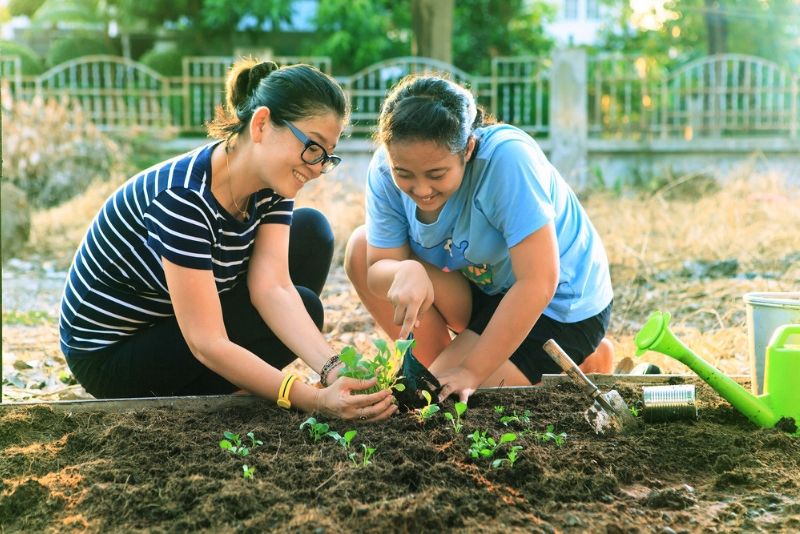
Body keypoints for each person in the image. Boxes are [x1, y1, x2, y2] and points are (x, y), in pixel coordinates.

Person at [59, 59, 396, 422]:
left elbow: (273, 289)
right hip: (113, 356)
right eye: (312, 147)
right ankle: (235, 384)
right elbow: (207, 342)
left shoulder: (272, 185)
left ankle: (238, 381)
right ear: (262, 124)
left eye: (325, 156)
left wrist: (333, 369)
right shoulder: (183, 197)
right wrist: (309, 399)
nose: (316, 168)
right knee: (307, 308)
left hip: (175, 320)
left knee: (310, 234)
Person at [344, 75, 615, 404]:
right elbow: (374, 268)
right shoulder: (385, 172)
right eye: (405, 173)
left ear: (468, 149)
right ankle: (444, 366)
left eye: (436, 174)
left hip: (559, 303)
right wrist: (402, 272)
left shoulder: (508, 160)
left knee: (457, 397)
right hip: (487, 289)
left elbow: (539, 281)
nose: (421, 189)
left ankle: (586, 359)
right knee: (361, 247)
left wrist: (471, 371)